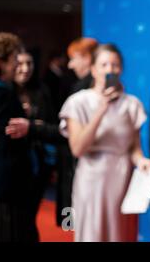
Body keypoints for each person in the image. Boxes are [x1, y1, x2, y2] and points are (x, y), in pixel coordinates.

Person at [59, 43, 150, 242]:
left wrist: (141, 161)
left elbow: (134, 148)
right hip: (92, 179)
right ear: (93, 69)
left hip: (123, 179)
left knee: (121, 234)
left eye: (115, 65)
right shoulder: (78, 102)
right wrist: (101, 110)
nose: (110, 69)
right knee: (92, 234)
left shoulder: (132, 104)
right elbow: (77, 148)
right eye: (104, 65)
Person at [5, 50, 66, 222]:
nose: (25, 69)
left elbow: (55, 127)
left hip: (38, 165)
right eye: (20, 63)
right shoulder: (4, 91)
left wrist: (34, 127)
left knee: (29, 218)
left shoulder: (41, 90)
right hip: (10, 167)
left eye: (29, 63)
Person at [0, 32, 37, 242]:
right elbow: (7, 138)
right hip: (8, 184)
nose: (17, 66)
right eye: (13, 60)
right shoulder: (2, 93)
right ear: (0, 62)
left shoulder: (5, 90)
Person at [55, 37, 98, 226]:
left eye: (74, 58)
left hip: (87, 167)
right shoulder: (79, 90)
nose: (71, 65)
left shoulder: (81, 92)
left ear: (88, 58)